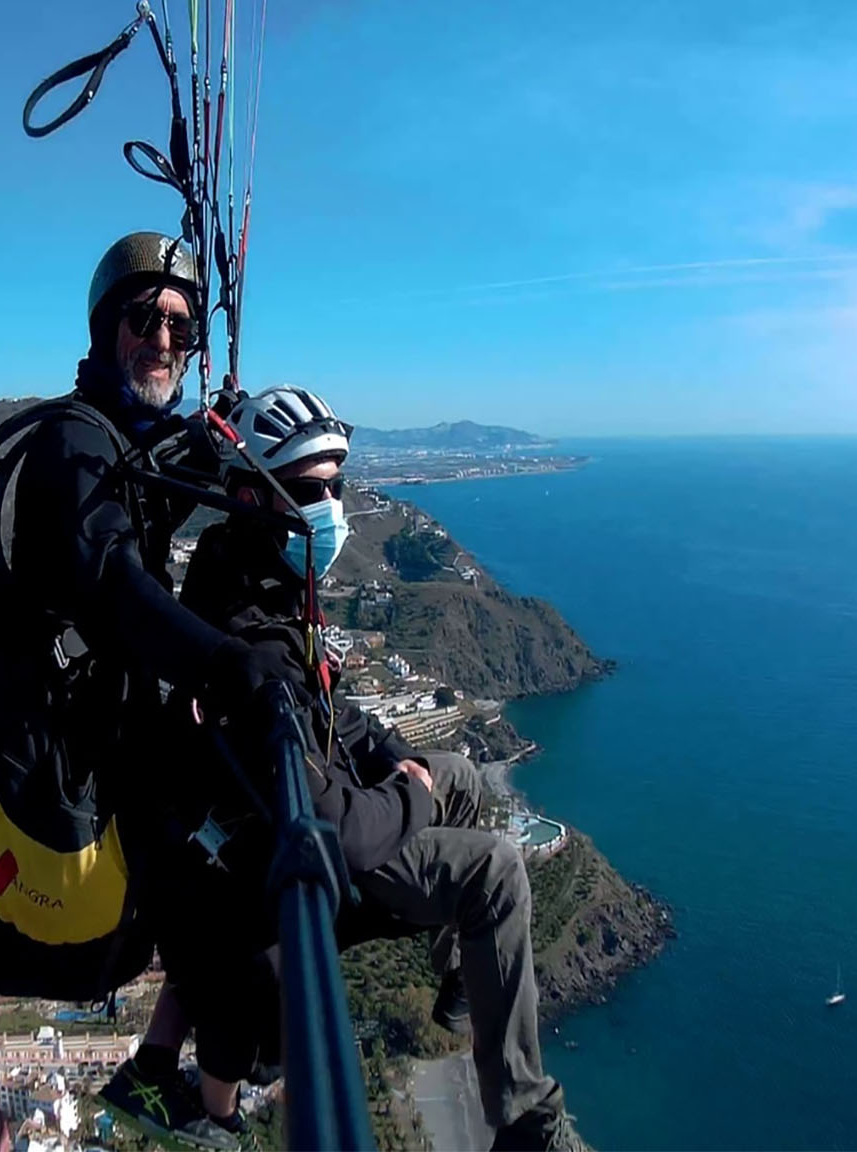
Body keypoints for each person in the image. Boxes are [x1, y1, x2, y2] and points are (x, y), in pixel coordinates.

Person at [184, 385, 577, 1152]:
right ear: (248, 497)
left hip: (330, 792)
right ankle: (525, 1119)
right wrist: (410, 797)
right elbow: (333, 829)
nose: (330, 505)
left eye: (335, 486)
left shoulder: (248, 568)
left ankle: (462, 975)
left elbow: (331, 705)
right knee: (496, 873)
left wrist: (395, 755)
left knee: (459, 770)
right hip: (306, 850)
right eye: (308, 490)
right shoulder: (253, 648)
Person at [1, 233, 302, 1149]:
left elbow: (175, 483)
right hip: (90, 768)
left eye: (180, 322)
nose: (165, 338)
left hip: (126, 747)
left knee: (215, 895)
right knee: (247, 931)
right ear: (104, 331)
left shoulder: (122, 446)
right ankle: (211, 1099)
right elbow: (115, 588)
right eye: (145, 319)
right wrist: (224, 661)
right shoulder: (72, 446)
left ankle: (155, 1069)